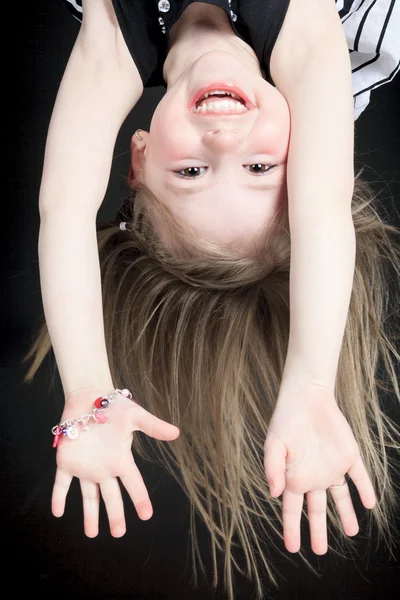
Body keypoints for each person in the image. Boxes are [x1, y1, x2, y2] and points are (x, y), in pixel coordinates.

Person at [23, 1, 400, 599]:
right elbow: (324, 207)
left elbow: (64, 211)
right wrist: (310, 383)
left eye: (192, 172)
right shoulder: (307, 36)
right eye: (259, 166)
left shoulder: (116, 37)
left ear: (139, 157)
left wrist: (88, 387)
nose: (224, 137)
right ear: (305, 157)